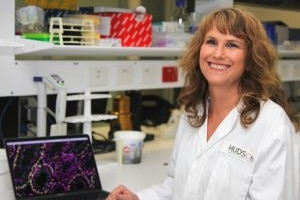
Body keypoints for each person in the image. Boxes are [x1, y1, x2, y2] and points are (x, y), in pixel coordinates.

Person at [106, 7, 300, 200]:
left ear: (250, 59)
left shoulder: (271, 124)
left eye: (232, 45)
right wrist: (138, 198)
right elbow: (176, 186)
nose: (218, 54)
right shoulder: (192, 113)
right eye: (211, 42)